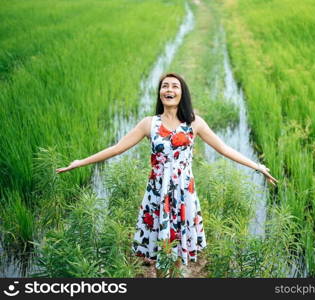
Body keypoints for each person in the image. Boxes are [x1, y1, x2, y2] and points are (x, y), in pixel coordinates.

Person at [56, 72, 277, 277]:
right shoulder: (148, 124)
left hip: (183, 194)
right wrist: (80, 162)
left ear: (182, 93)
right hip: (157, 194)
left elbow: (224, 149)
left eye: (174, 86)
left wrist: (257, 166)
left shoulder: (194, 123)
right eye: (164, 86)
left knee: (179, 249)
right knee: (161, 252)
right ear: (160, 93)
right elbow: (116, 148)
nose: (169, 89)